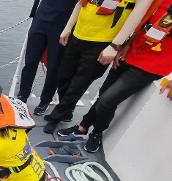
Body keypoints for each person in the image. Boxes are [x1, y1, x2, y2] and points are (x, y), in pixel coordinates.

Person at [57, 0, 172, 152]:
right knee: (103, 92)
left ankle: (97, 132)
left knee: (107, 100)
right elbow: (143, 21)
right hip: (130, 53)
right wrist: (126, 45)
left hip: (153, 65)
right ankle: (83, 126)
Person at [42, 0, 153, 134]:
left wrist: (114, 45)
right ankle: (66, 111)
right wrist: (68, 27)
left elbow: (138, 13)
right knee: (63, 77)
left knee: (79, 83)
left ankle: (57, 116)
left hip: (103, 41)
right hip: (78, 33)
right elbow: (80, 3)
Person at [17, 0, 78, 115]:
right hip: (40, 19)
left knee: (54, 66)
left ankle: (45, 100)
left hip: (62, 24)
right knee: (30, 61)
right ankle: (22, 95)